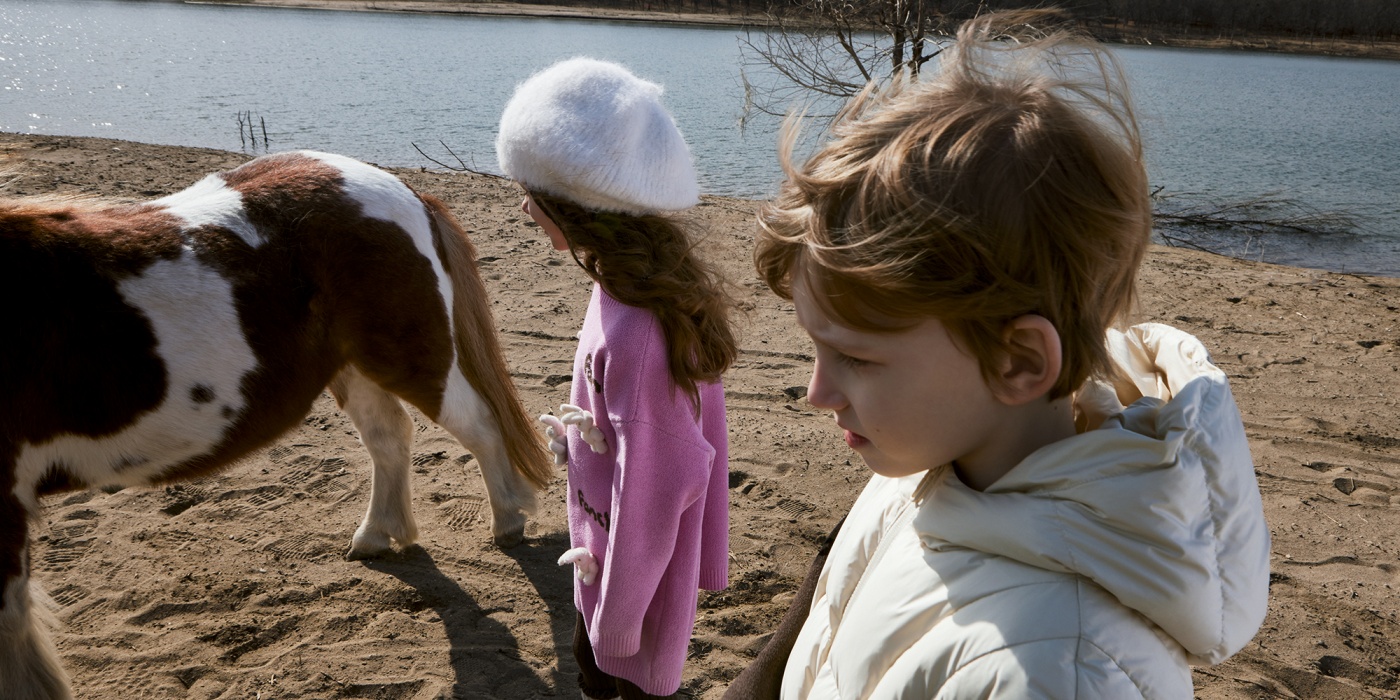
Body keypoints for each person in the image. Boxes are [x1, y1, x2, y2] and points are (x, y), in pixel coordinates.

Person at [725, 10, 1271, 699]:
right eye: (817, 349)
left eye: (855, 359)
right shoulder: (928, 467)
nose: (818, 393)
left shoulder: (1064, 671)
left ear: (1017, 362)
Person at [496, 57, 736, 699]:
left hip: (630, 587)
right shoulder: (633, 284)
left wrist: (618, 623)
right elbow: (696, 435)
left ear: (577, 210)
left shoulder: (638, 328)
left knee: (612, 683)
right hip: (607, 562)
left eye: (533, 194)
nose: (522, 207)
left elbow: (664, 478)